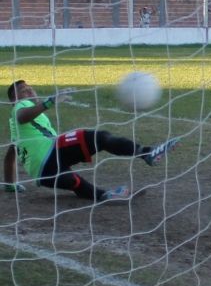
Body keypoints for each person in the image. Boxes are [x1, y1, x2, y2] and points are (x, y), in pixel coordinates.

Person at [4, 80, 179, 201]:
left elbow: (10, 155)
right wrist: (49, 102)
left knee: (74, 182)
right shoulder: (21, 106)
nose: (29, 91)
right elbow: (22, 116)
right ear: (14, 100)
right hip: (51, 152)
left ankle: (104, 195)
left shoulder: (16, 129)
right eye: (23, 90)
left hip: (42, 173)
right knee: (100, 138)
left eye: (30, 88)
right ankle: (147, 153)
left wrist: (10, 184)